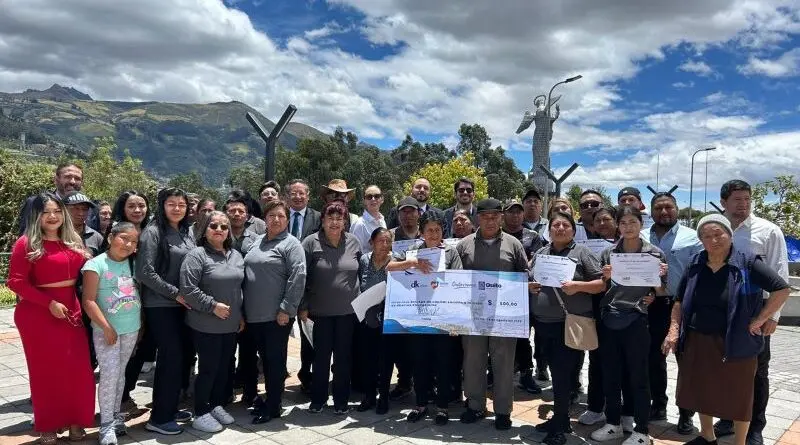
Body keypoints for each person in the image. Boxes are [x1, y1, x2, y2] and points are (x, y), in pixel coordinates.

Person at [662, 214, 790, 445]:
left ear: (730, 235)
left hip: (736, 341)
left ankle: (739, 442)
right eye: (706, 236)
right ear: (701, 239)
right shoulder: (696, 262)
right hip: (697, 338)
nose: (713, 240)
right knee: (702, 389)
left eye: (718, 234)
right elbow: (679, 300)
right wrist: (673, 330)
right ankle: (707, 435)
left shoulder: (747, 262)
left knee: (739, 394)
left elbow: (781, 289)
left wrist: (761, 319)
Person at [7, 193, 95, 444]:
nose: (53, 216)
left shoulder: (72, 240)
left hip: (70, 310)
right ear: (37, 215)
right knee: (46, 372)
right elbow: (15, 282)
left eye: (57, 210)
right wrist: (49, 303)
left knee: (79, 370)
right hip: (38, 314)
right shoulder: (26, 243)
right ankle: (48, 425)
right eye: (46, 212)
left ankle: (77, 421)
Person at [713, 180, 791, 445]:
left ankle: (756, 426)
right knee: (724, 367)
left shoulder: (768, 231)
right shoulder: (716, 228)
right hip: (720, 310)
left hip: (754, 311)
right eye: (737, 199)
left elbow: (780, 276)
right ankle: (727, 419)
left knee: (757, 370)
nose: (743, 204)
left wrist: (772, 316)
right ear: (724, 202)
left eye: (747, 199)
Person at [590, 205, 666, 445]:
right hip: (610, 319)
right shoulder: (609, 254)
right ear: (617, 226)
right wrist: (605, 276)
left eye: (633, 222)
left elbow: (661, 291)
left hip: (637, 321)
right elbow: (602, 288)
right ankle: (613, 424)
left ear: (640, 224)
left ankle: (642, 430)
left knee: (638, 376)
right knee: (611, 374)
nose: (628, 227)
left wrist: (660, 279)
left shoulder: (654, 254)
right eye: (623, 223)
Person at [529, 211, 605, 445]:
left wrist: (578, 286)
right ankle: (558, 418)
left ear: (573, 230)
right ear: (549, 230)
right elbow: (532, 279)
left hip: (569, 324)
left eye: (565, 225)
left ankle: (561, 425)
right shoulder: (542, 253)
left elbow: (602, 283)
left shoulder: (582, 253)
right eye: (555, 225)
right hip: (544, 325)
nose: (560, 228)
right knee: (555, 374)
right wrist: (532, 287)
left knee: (562, 376)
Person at [457, 198, 529, 431]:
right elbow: (454, 279)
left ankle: (502, 411)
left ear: (501, 217)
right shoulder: (464, 244)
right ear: (477, 218)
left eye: (494, 216)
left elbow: (524, 274)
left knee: (504, 363)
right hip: (473, 315)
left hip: (505, 316)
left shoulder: (513, 244)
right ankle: (475, 405)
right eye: (485, 216)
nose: (490, 220)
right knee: (473, 362)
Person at [136, 188, 196, 435]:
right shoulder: (152, 232)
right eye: (172, 204)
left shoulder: (185, 231)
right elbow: (145, 272)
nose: (177, 208)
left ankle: (168, 407)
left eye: (181, 204)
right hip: (161, 305)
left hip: (181, 305)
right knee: (170, 358)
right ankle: (159, 418)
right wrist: (175, 293)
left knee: (177, 359)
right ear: (162, 206)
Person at [641, 192, 703, 432]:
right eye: (658, 208)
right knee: (654, 360)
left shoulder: (692, 238)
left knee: (686, 362)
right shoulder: (642, 236)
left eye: (668, 207)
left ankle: (686, 413)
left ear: (677, 209)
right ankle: (658, 405)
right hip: (652, 304)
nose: (663, 212)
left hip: (683, 306)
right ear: (652, 211)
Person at [180, 211, 244, 433]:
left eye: (224, 227)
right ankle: (200, 412)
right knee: (208, 369)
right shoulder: (196, 255)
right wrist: (212, 305)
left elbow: (238, 289)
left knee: (224, 369)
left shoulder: (235, 255)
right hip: (205, 324)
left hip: (231, 324)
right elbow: (187, 290)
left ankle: (215, 405)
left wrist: (240, 315)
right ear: (204, 229)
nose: (219, 230)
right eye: (213, 225)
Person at [243, 200, 306, 423]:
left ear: (287, 219)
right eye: (271, 216)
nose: (276, 219)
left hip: (276, 316)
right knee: (263, 360)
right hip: (253, 315)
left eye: (280, 216)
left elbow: (298, 278)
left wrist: (286, 309)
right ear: (265, 219)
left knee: (274, 361)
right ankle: (268, 399)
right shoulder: (256, 242)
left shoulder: (291, 244)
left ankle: (274, 405)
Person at [81, 222, 142, 445]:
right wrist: (106, 327)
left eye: (134, 241)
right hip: (106, 331)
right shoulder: (95, 265)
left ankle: (116, 416)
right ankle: (106, 425)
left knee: (120, 373)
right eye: (124, 238)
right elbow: (88, 301)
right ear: (110, 238)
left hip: (131, 328)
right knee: (109, 375)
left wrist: (140, 326)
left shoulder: (134, 263)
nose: (128, 244)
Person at [300, 200, 362, 414]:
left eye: (339, 218)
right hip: (320, 314)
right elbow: (302, 277)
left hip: (348, 313)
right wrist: (303, 306)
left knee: (344, 359)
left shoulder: (354, 242)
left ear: (345, 221)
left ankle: (341, 401)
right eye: (330, 218)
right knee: (321, 358)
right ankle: (318, 399)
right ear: (323, 221)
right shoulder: (310, 242)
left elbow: (360, 274)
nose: (335, 222)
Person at [403, 211, 463, 425]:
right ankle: (420, 404)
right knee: (419, 362)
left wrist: (456, 320)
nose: (433, 233)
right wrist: (412, 265)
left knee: (444, 363)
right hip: (418, 316)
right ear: (421, 232)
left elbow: (459, 283)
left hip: (444, 318)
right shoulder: (412, 252)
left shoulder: (451, 252)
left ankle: (442, 407)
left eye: (437, 230)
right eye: (429, 230)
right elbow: (399, 277)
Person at [502, 198, 546, 395]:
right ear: (504, 214)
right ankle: (497, 373)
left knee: (523, 336)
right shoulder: (498, 234)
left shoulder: (533, 236)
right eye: (511, 211)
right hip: (501, 292)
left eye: (519, 211)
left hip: (524, 294)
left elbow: (534, 262)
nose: (515, 215)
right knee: (501, 335)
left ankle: (526, 374)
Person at [285, 179, 321, 391]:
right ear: (287, 196)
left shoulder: (317, 218)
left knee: (309, 336)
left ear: (308, 196)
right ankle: (277, 375)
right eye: (293, 193)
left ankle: (307, 376)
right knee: (280, 336)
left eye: (302, 193)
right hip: (282, 286)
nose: (298, 197)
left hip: (309, 287)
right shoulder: (279, 216)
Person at [356, 228, 396, 415]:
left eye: (388, 241)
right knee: (367, 359)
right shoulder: (364, 260)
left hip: (388, 318)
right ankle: (369, 395)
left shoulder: (396, 261)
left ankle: (384, 396)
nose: (385, 245)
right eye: (381, 241)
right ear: (372, 242)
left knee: (386, 360)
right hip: (367, 317)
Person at [386, 196, 421, 399]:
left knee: (419, 342)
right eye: (403, 211)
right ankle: (404, 381)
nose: (407, 215)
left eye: (411, 211)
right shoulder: (390, 236)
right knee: (400, 343)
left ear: (419, 213)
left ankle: (422, 381)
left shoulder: (426, 235)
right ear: (398, 214)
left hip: (421, 296)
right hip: (397, 297)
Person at [18, 162, 98, 235]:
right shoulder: (36, 203)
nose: (72, 182)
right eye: (68, 177)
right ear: (56, 180)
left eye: (77, 178)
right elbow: (25, 236)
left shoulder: (90, 209)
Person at [63, 191, 104, 256]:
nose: (81, 213)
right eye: (76, 208)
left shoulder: (96, 237)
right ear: (64, 209)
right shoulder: (55, 234)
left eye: (85, 209)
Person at [350, 185, 387, 252]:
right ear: (364, 201)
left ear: (382, 199)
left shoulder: (382, 220)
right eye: (369, 197)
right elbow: (356, 253)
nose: (373, 199)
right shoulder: (359, 224)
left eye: (377, 196)